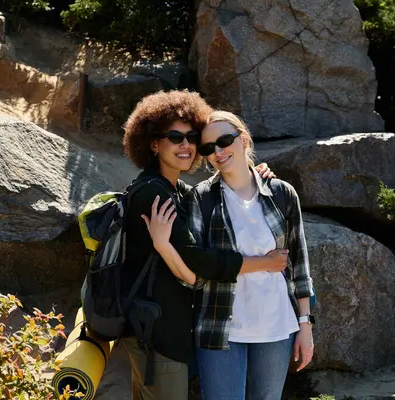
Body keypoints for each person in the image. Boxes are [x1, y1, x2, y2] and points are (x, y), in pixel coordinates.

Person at [119, 90, 289, 400]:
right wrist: (262, 263)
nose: (185, 145)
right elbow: (198, 262)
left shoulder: (178, 190)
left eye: (191, 138)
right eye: (174, 137)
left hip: (168, 328)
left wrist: (258, 174)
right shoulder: (152, 194)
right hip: (157, 332)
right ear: (153, 143)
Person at [144, 110, 315, 400]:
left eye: (225, 140)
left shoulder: (281, 193)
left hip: (276, 329)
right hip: (218, 329)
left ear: (244, 139)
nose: (218, 152)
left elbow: (299, 266)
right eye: (209, 148)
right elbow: (196, 271)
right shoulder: (201, 197)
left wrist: (305, 324)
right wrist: (164, 246)